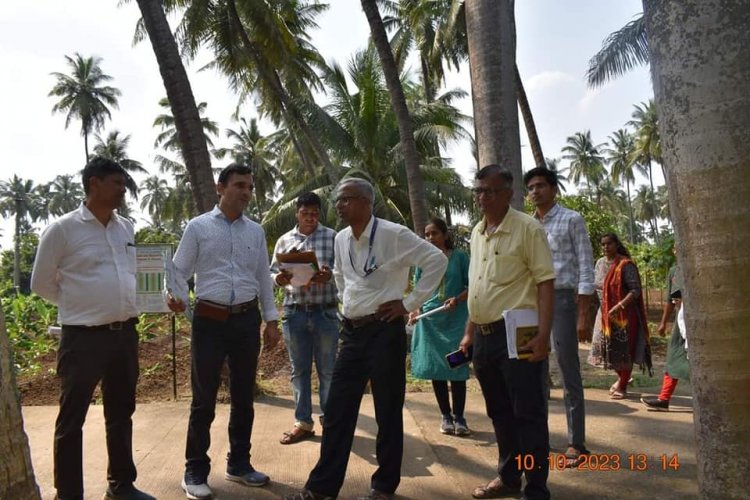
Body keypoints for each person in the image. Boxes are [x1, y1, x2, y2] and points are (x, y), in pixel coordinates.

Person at [284, 178, 448, 500]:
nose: (338, 205)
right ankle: (321, 489)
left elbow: (436, 261)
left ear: (365, 202)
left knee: (388, 412)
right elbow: (343, 276)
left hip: (385, 332)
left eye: (345, 199)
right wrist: (350, 306)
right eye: (338, 200)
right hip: (352, 332)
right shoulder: (342, 238)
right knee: (337, 412)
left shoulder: (393, 234)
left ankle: (383, 488)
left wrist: (408, 303)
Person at [30, 157, 154, 500]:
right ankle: (68, 494)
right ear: (94, 183)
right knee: (72, 418)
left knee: (121, 413)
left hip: (124, 334)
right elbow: (41, 284)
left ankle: (121, 485)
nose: (123, 190)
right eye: (117, 183)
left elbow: (133, 274)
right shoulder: (63, 229)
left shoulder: (125, 227)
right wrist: (80, 305)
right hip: (82, 338)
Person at [166, 163, 281, 500]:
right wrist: (174, 299)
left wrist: (271, 321)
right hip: (209, 321)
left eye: (249, 187)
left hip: (246, 320)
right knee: (204, 399)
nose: (245, 192)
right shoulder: (198, 227)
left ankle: (239, 464)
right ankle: (195, 470)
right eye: (239, 185)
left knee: (244, 396)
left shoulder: (256, 232)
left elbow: (263, 278)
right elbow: (178, 271)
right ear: (221, 188)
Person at [460, 165, 555, 500]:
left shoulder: (528, 228)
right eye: (478, 191)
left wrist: (543, 334)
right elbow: (478, 285)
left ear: (508, 194)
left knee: (528, 412)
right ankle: (509, 477)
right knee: (499, 411)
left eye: (490, 191)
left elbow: (545, 282)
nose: (482, 198)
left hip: (519, 332)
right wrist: (470, 332)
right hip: (484, 337)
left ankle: (536, 487)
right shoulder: (477, 232)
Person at [524, 167, 595, 465]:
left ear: (554, 189)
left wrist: (583, 314)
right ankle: (538, 439)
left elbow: (586, 266)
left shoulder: (571, 219)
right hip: (531, 302)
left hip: (564, 300)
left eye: (541, 185)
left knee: (568, 370)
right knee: (534, 369)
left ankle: (576, 443)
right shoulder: (527, 225)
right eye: (531, 187)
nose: (535, 191)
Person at [270, 192, 339, 444]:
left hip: (326, 311)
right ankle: (303, 422)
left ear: (319, 213)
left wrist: (329, 275)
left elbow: (343, 270)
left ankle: (331, 422)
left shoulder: (333, 237)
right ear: (296, 213)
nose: (310, 217)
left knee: (328, 371)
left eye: (314, 213)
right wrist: (278, 278)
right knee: (298, 371)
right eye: (305, 212)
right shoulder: (284, 240)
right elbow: (272, 272)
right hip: (295, 311)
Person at [408, 217, 471, 436]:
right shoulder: (422, 261)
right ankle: (445, 416)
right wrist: (415, 310)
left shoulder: (461, 258)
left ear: (445, 235)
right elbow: (418, 291)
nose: (430, 238)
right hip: (430, 320)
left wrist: (458, 299)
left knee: (457, 366)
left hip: (456, 321)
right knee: (437, 369)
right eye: (427, 234)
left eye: (434, 233)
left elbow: (473, 285)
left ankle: (460, 417)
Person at [587, 233, 652, 399]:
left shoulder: (625, 264)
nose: (605, 247)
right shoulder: (600, 263)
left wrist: (619, 305)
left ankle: (622, 385)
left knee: (624, 350)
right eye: (602, 244)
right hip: (605, 314)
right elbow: (597, 287)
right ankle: (621, 378)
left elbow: (635, 290)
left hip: (624, 316)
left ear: (617, 244)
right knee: (605, 348)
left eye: (609, 244)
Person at [641, 260, 688, 410]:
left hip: (695, 321)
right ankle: (663, 399)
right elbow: (670, 301)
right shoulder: (674, 271)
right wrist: (663, 323)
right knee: (672, 356)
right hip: (682, 321)